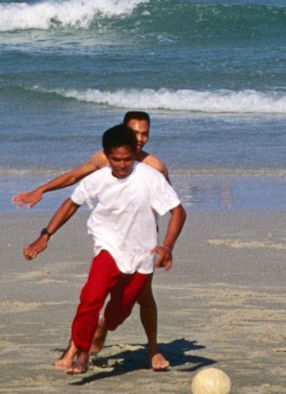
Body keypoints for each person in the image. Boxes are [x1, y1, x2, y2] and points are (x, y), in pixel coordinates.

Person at [12, 111, 173, 370]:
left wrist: (164, 244)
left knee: (143, 297)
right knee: (94, 294)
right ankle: (76, 347)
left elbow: (168, 205)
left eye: (145, 133)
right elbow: (75, 178)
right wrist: (42, 189)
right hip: (111, 237)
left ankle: (152, 350)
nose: (140, 139)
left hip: (142, 240)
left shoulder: (155, 167)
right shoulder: (104, 159)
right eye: (135, 133)